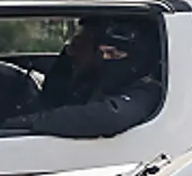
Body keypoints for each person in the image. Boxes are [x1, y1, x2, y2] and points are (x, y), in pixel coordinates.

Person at [22, 16, 165, 138]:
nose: (77, 42)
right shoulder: (91, 80)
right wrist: (69, 59)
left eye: (113, 54)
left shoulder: (148, 90)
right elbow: (53, 97)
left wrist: (29, 123)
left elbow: (109, 116)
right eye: (102, 53)